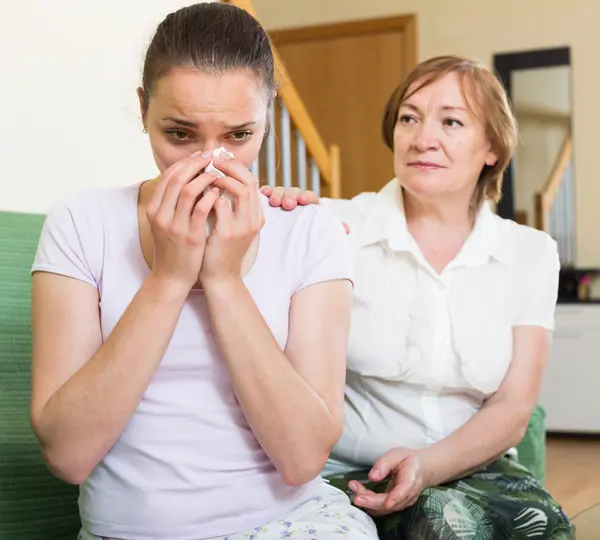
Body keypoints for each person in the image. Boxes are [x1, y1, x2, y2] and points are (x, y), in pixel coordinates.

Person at [29, 4, 379, 540]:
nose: (210, 164)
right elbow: (68, 456)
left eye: (239, 136)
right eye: (180, 134)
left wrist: (223, 281)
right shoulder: (82, 224)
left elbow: (303, 457)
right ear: (143, 109)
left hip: (290, 522)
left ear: (269, 114)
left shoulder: (309, 232)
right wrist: (169, 279)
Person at [261, 55, 575, 539]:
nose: (422, 137)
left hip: (476, 471)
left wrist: (427, 467)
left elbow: (514, 408)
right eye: (409, 117)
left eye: (451, 121)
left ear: (492, 146)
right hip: (343, 472)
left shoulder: (531, 253)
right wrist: (275, 220)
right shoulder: (330, 227)